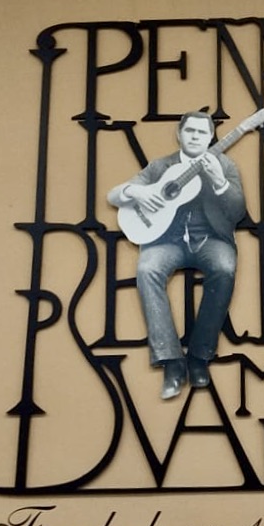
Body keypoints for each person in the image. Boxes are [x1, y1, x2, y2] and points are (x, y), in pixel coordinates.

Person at [107, 110, 246, 399]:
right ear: (179, 134)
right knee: (147, 268)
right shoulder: (162, 166)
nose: (195, 136)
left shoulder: (224, 165)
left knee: (225, 266)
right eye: (189, 131)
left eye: (202, 132)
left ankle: (199, 356)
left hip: (209, 240)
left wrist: (220, 182)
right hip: (166, 241)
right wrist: (135, 192)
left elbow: (237, 213)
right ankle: (171, 360)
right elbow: (113, 195)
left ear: (211, 137)